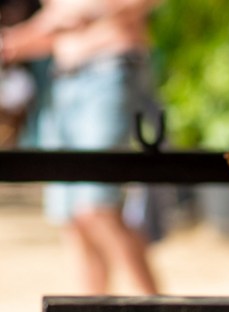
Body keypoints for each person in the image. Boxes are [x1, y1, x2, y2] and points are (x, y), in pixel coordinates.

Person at [0, 0, 162, 295]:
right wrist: (16, 42)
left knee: (96, 207)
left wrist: (87, 11)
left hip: (111, 68)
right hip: (62, 80)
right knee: (72, 218)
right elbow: (57, 26)